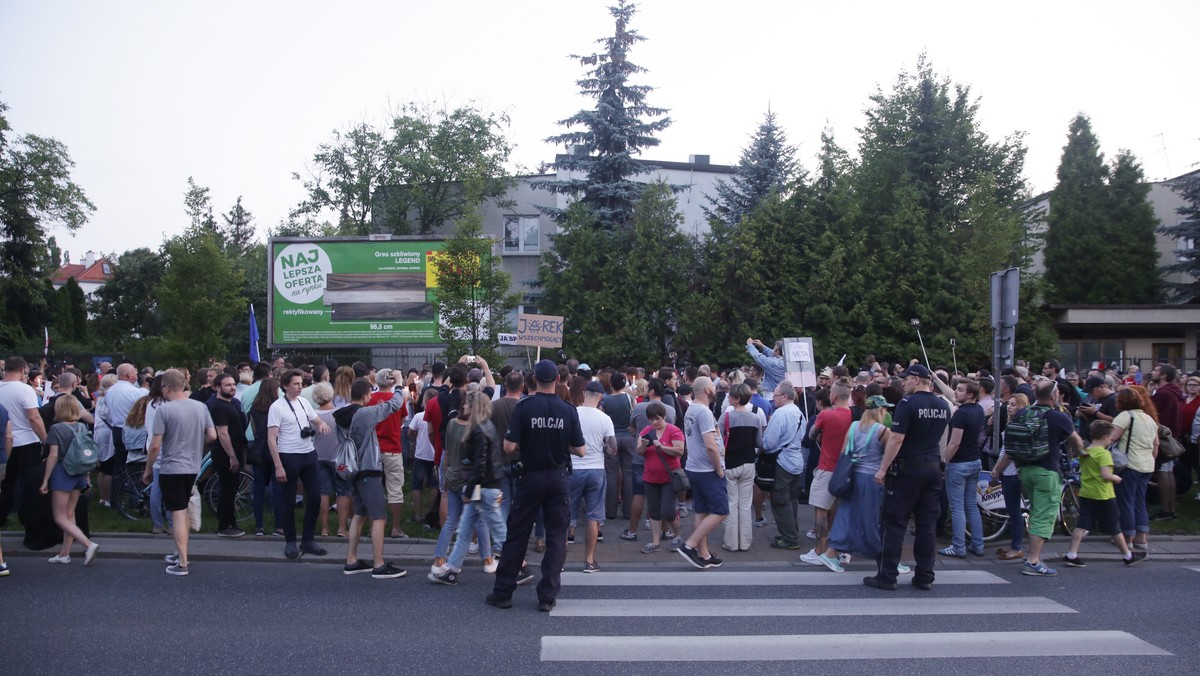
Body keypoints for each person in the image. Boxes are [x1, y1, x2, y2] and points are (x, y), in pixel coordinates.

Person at [487, 359, 584, 612]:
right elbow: (581, 450)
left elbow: (508, 446)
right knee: (555, 538)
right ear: (557, 380)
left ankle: (503, 592)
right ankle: (547, 596)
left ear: (533, 381)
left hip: (529, 477)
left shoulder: (524, 407)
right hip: (557, 477)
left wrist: (526, 444)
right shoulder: (568, 409)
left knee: (517, 534)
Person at [864, 364, 950, 592]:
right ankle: (925, 576)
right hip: (933, 468)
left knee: (893, 522)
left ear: (916, 379)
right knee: (927, 525)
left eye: (905, 379)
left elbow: (896, 439)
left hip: (907, 469)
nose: (902, 383)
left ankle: (887, 575)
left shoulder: (908, 404)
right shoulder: (943, 405)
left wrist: (882, 469)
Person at [993, 381, 1082, 577]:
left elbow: (1010, 446)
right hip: (1046, 472)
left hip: (1024, 470)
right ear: (1054, 396)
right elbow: (1077, 443)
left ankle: (1033, 556)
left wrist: (998, 469)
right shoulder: (1058, 417)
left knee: (1035, 510)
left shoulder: (1023, 414)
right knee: (1043, 515)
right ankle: (1033, 560)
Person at [819, 396, 909, 574]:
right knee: (875, 519)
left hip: (852, 476)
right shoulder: (882, 431)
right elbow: (891, 453)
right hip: (872, 478)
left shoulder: (854, 426)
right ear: (880, 411)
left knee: (847, 513)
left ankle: (831, 552)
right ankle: (887, 558)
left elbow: (845, 450)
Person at [428, 390, 507, 585]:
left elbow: (453, 454)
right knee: (480, 525)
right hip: (475, 483)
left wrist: (445, 476)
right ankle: (488, 561)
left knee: (457, 522)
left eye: (466, 404)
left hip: (461, 479)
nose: (463, 406)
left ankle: (442, 561)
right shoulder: (480, 428)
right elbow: (480, 463)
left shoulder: (457, 425)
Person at [142, 369, 216, 576]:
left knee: (178, 512)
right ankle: (180, 551)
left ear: (166, 387)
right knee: (183, 509)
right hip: (193, 466)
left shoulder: (164, 411)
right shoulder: (201, 407)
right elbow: (212, 435)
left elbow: (155, 446)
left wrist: (148, 469)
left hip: (171, 467)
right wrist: (196, 441)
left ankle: (182, 561)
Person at [335, 378, 408, 579]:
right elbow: (394, 404)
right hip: (368, 469)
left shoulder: (340, 416)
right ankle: (379, 564)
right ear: (366, 396)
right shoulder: (364, 414)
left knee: (359, 514)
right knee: (379, 517)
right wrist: (400, 385)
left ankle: (351, 560)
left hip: (352, 469)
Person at [1062, 420, 1147, 567]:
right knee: (1114, 526)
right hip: (1103, 494)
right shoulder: (1104, 454)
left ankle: (1072, 553)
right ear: (1105, 437)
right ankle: (1127, 555)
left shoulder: (1086, 451)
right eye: (1110, 438)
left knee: (1082, 524)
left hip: (1086, 492)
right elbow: (1106, 475)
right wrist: (1117, 478)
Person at [266, 369, 331, 559]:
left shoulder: (303, 402)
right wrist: (278, 465)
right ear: (285, 386)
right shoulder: (277, 407)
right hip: (288, 455)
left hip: (308, 454)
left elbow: (315, 418)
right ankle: (290, 541)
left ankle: (308, 539)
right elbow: (271, 439)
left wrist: (320, 424)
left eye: (301, 383)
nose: (300, 386)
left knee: (315, 497)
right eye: (295, 384)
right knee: (289, 501)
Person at [39, 395, 101, 566]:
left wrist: (45, 480)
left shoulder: (56, 429)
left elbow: (52, 456)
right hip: (79, 473)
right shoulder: (82, 426)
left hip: (62, 472)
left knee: (59, 517)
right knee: (69, 514)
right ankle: (64, 553)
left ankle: (88, 545)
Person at [677, 376, 727, 569]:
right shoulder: (704, 412)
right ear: (707, 390)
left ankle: (704, 554)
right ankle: (690, 545)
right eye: (711, 387)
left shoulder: (692, 409)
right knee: (721, 510)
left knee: (702, 510)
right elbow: (711, 446)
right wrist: (718, 468)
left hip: (694, 466)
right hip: (707, 469)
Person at [800, 383, 852, 566]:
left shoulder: (826, 414)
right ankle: (839, 550)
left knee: (821, 510)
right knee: (840, 510)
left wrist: (820, 433)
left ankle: (819, 551)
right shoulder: (856, 415)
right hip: (847, 468)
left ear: (835, 395)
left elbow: (811, 435)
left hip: (827, 467)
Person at [570, 381, 616, 573]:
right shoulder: (605, 419)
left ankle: (559, 560)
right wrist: (602, 446)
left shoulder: (573, 413)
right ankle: (589, 561)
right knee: (593, 517)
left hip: (573, 468)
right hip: (596, 469)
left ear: (583, 393)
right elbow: (613, 450)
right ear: (600, 397)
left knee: (567, 515)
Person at [939, 379, 987, 558]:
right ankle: (978, 544)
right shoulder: (978, 410)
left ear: (970, 395)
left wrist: (945, 461)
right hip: (975, 461)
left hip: (959, 464)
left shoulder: (960, 415)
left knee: (957, 507)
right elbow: (951, 395)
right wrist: (936, 379)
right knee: (971, 506)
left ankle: (958, 546)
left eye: (960, 390)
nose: (955, 392)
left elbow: (955, 442)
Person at [1109, 386, 1159, 552]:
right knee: (1140, 501)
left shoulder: (1125, 416)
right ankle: (1141, 538)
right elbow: (1156, 445)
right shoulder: (1149, 418)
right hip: (1147, 465)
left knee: (1126, 501)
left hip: (1129, 463)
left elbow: (1111, 438)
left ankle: (1127, 538)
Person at [0, 357, 49, 526]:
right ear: (22, 371)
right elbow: (33, 417)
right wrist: (46, 440)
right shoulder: (25, 390)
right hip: (26, 441)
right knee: (30, 481)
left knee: (7, 482)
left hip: (4, 441)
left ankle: (3, 514)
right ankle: (29, 515)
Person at [717, 383, 765, 552]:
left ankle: (730, 542)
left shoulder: (726, 417)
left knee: (731, 503)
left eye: (730, 396)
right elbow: (759, 443)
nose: (728, 398)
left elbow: (718, 439)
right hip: (749, 464)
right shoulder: (755, 417)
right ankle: (745, 542)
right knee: (745, 505)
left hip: (730, 464)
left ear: (736, 399)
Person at [636, 402, 684, 554]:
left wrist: (662, 447)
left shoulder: (673, 430)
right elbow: (639, 451)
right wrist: (643, 446)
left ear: (664, 416)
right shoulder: (646, 431)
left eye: (657, 419)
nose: (654, 422)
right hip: (650, 477)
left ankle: (677, 535)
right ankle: (655, 542)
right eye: (651, 419)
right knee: (654, 511)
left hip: (669, 477)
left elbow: (679, 451)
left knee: (668, 511)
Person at [763, 382, 807, 550]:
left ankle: (789, 538)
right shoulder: (799, 412)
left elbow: (769, 443)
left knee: (780, 500)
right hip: (796, 459)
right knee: (792, 499)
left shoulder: (780, 413)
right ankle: (791, 531)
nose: (773, 399)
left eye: (776, 396)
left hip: (783, 461)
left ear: (785, 396)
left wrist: (762, 445)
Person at [207, 373, 247, 537]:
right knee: (227, 490)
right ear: (217, 387)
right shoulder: (219, 406)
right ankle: (225, 525)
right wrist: (232, 456)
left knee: (231, 490)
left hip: (234, 451)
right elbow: (222, 434)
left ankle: (231, 522)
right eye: (227, 385)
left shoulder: (229, 404)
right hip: (225, 454)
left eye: (233, 384)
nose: (232, 387)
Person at [992, 394, 1029, 561]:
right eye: (1009, 404)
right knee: (1013, 509)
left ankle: (1017, 547)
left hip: (1011, 472)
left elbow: (1008, 453)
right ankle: (1015, 544)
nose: (1009, 407)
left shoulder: (1016, 425)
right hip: (1012, 471)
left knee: (1014, 510)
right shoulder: (1015, 423)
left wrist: (997, 469)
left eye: (1013, 405)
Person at [247, 378, 285, 537]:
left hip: (259, 449)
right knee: (278, 488)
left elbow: (253, 429)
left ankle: (259, 526)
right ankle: (279, 526)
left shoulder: (254, 408)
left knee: (259, 488)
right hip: (275, 448)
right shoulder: (278, 407)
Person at [310, 382, 349, 537]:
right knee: (343, 491)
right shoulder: (340, 413)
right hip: (339, 460)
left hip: (319, 458)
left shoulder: (312, 415)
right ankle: (341, 528)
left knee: (323, 492)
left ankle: (324, 528)